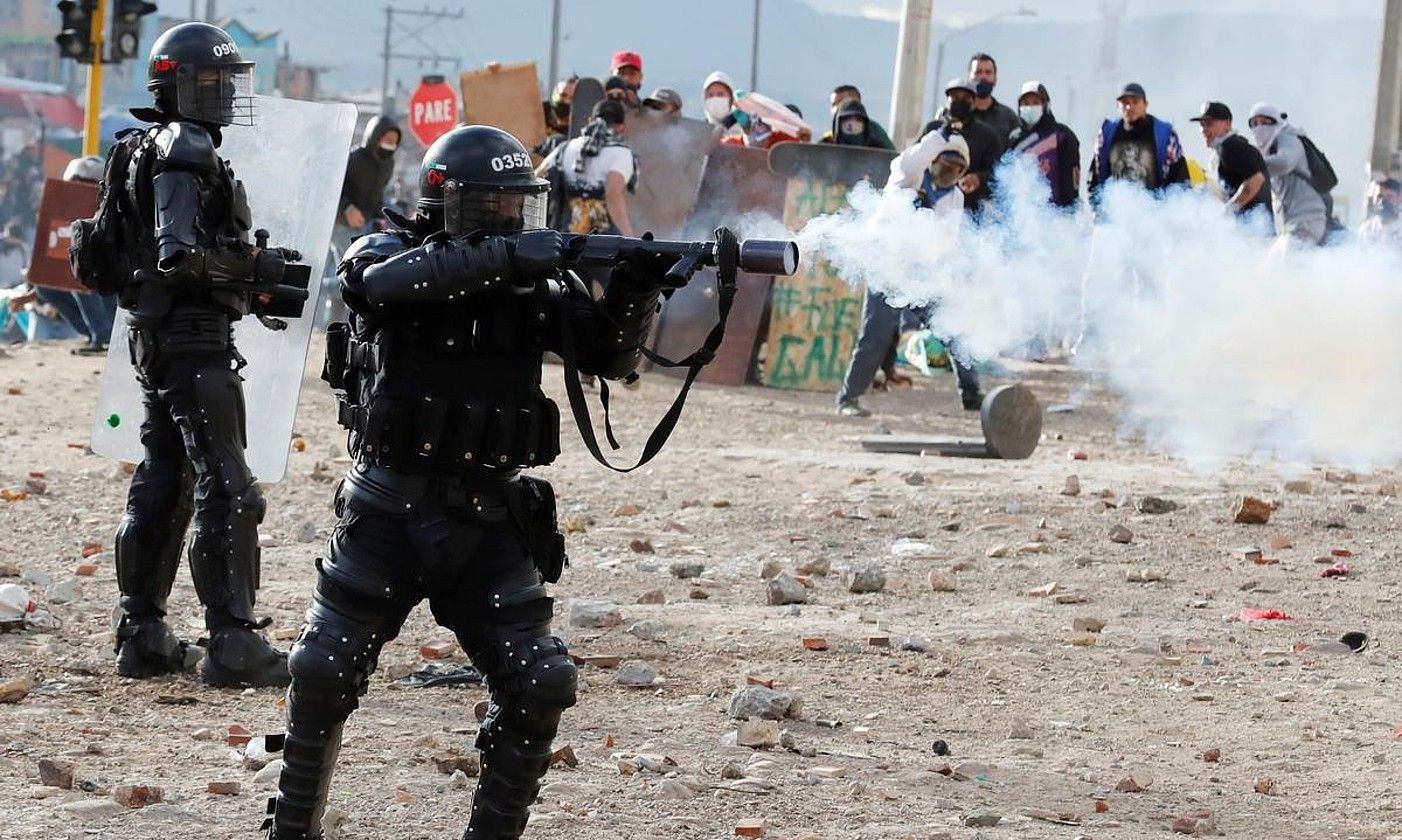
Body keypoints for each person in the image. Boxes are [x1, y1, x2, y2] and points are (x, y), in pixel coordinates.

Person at [264, 123, 681, 840]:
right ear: (444, 200)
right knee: (324, 670)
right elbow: (379, 287)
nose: (506, 219)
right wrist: (506, 255)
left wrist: (634, 290)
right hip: (387, 514)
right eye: (490, 206)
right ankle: (292, 828)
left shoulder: (532, 280)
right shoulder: (385, 250)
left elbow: (610, 358)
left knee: (541, 682)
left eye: (516, 206)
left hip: (490, 521)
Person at [79, 22, 292, 686]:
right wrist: (254, 267)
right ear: (182, 85)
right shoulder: (185, 146)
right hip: (193, 343)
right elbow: (178, 252)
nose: (227, 94)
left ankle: (140, 635)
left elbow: (135, 253)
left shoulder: (132, 148)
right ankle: (233, 644)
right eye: (215, 81)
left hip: (156, 338)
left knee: (163, 479)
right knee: (229, 488)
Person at [836, 133, 980, 416]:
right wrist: (941, 134)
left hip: (923, 277)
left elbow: (945, 244)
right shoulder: (908, 179)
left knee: (955, 330)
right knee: (875, 337)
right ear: (933, 160)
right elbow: (908, 159)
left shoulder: (955, 199)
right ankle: (848, 398)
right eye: (944, 163)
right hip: (887, 271)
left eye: (956, 168)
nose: (948, 171)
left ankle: (972, 394)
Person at [539, 98, 636, 237]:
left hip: (565, 240)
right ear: (621, 128)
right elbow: (613, 194)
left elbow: (536, 178)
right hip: (602, 244)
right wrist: (629, 238)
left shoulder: (565, 148)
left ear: (591, 120)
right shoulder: (621, 153)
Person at [1087, 83, 1189, 204]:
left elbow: (1179, 178)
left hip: (1155, 214)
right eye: (1125, 103)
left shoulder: (1164, 134)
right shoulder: (1107, 133)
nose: (1129, 107)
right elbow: (1095, 175)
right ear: (1117, 106)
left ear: (1145, 104)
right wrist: (1098, 209)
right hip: (1114, 215)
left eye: (1135, 102)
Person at [1247, 103, 1327, 247]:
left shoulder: (1288, 137)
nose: (1259, 128)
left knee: (1286, 266)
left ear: (1276, 122)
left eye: (1264, 122)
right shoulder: (1270, 149)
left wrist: (1252, 164)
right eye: (1255, 124)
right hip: (1290, 225)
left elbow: (1284, 162)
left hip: (1305, 220)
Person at [921, 78, 1005, 214]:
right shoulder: (933, 129)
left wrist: (979, 179)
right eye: (955, 97)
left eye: (965, 98)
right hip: (929, 208)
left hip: (968, 214)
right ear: (947, 100)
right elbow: (915, 159)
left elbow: (998, 176)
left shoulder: (987, 136)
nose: (959, 102)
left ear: (974, 103)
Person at [1189, 101, 1271, 225]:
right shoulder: (1231, 147)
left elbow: (1256, 180)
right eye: (1202, 124)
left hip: (1254, 231)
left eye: (1209, 124)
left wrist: (1228, 210)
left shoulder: (1231, 147)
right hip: (1255, 228)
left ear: (1227, 124)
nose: (1203, 130)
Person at [1009, 81, 1080, 209]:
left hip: (1055, 216)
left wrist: (1067, 213)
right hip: (1023, 216)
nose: (1030, 107)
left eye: (1035, 103)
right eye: (1025, 103)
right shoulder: (1015, 138)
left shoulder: (1063, 136)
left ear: (1046, 105)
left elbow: (1071, 181)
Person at [337, 115, 400, 245]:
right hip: (341, 223)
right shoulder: (353, 159)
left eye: (394, 142)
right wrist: (346, 208)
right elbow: (332, 189)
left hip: (365, 224)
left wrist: (380, 217)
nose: (390, 146)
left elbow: (378, 193)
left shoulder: (388, 164)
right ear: (375, 137)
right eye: (387, 140)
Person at [967, 53, 1020, 144]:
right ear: (969, 77)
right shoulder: (958, 113)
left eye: (988, 72)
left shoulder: (1008, 116)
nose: (983, 77)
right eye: (978, 72)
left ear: (995, 79)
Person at [823, 85, 895, 148]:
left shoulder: (875, 132)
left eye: (841, 102)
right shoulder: (828, 140)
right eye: (833, 104)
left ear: (856, 101)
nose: (836, 108)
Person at [536, 75, 577, 158]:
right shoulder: (540, 110)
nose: (567, 101)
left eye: (573, 98)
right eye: (563, 95)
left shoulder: (581, 122)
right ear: (555, 92)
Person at [1359, 177, 1402, 245]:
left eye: (1389, 196)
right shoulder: (1367, 229)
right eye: (1380, 196)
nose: (1383, 201)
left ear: (1399, 199)